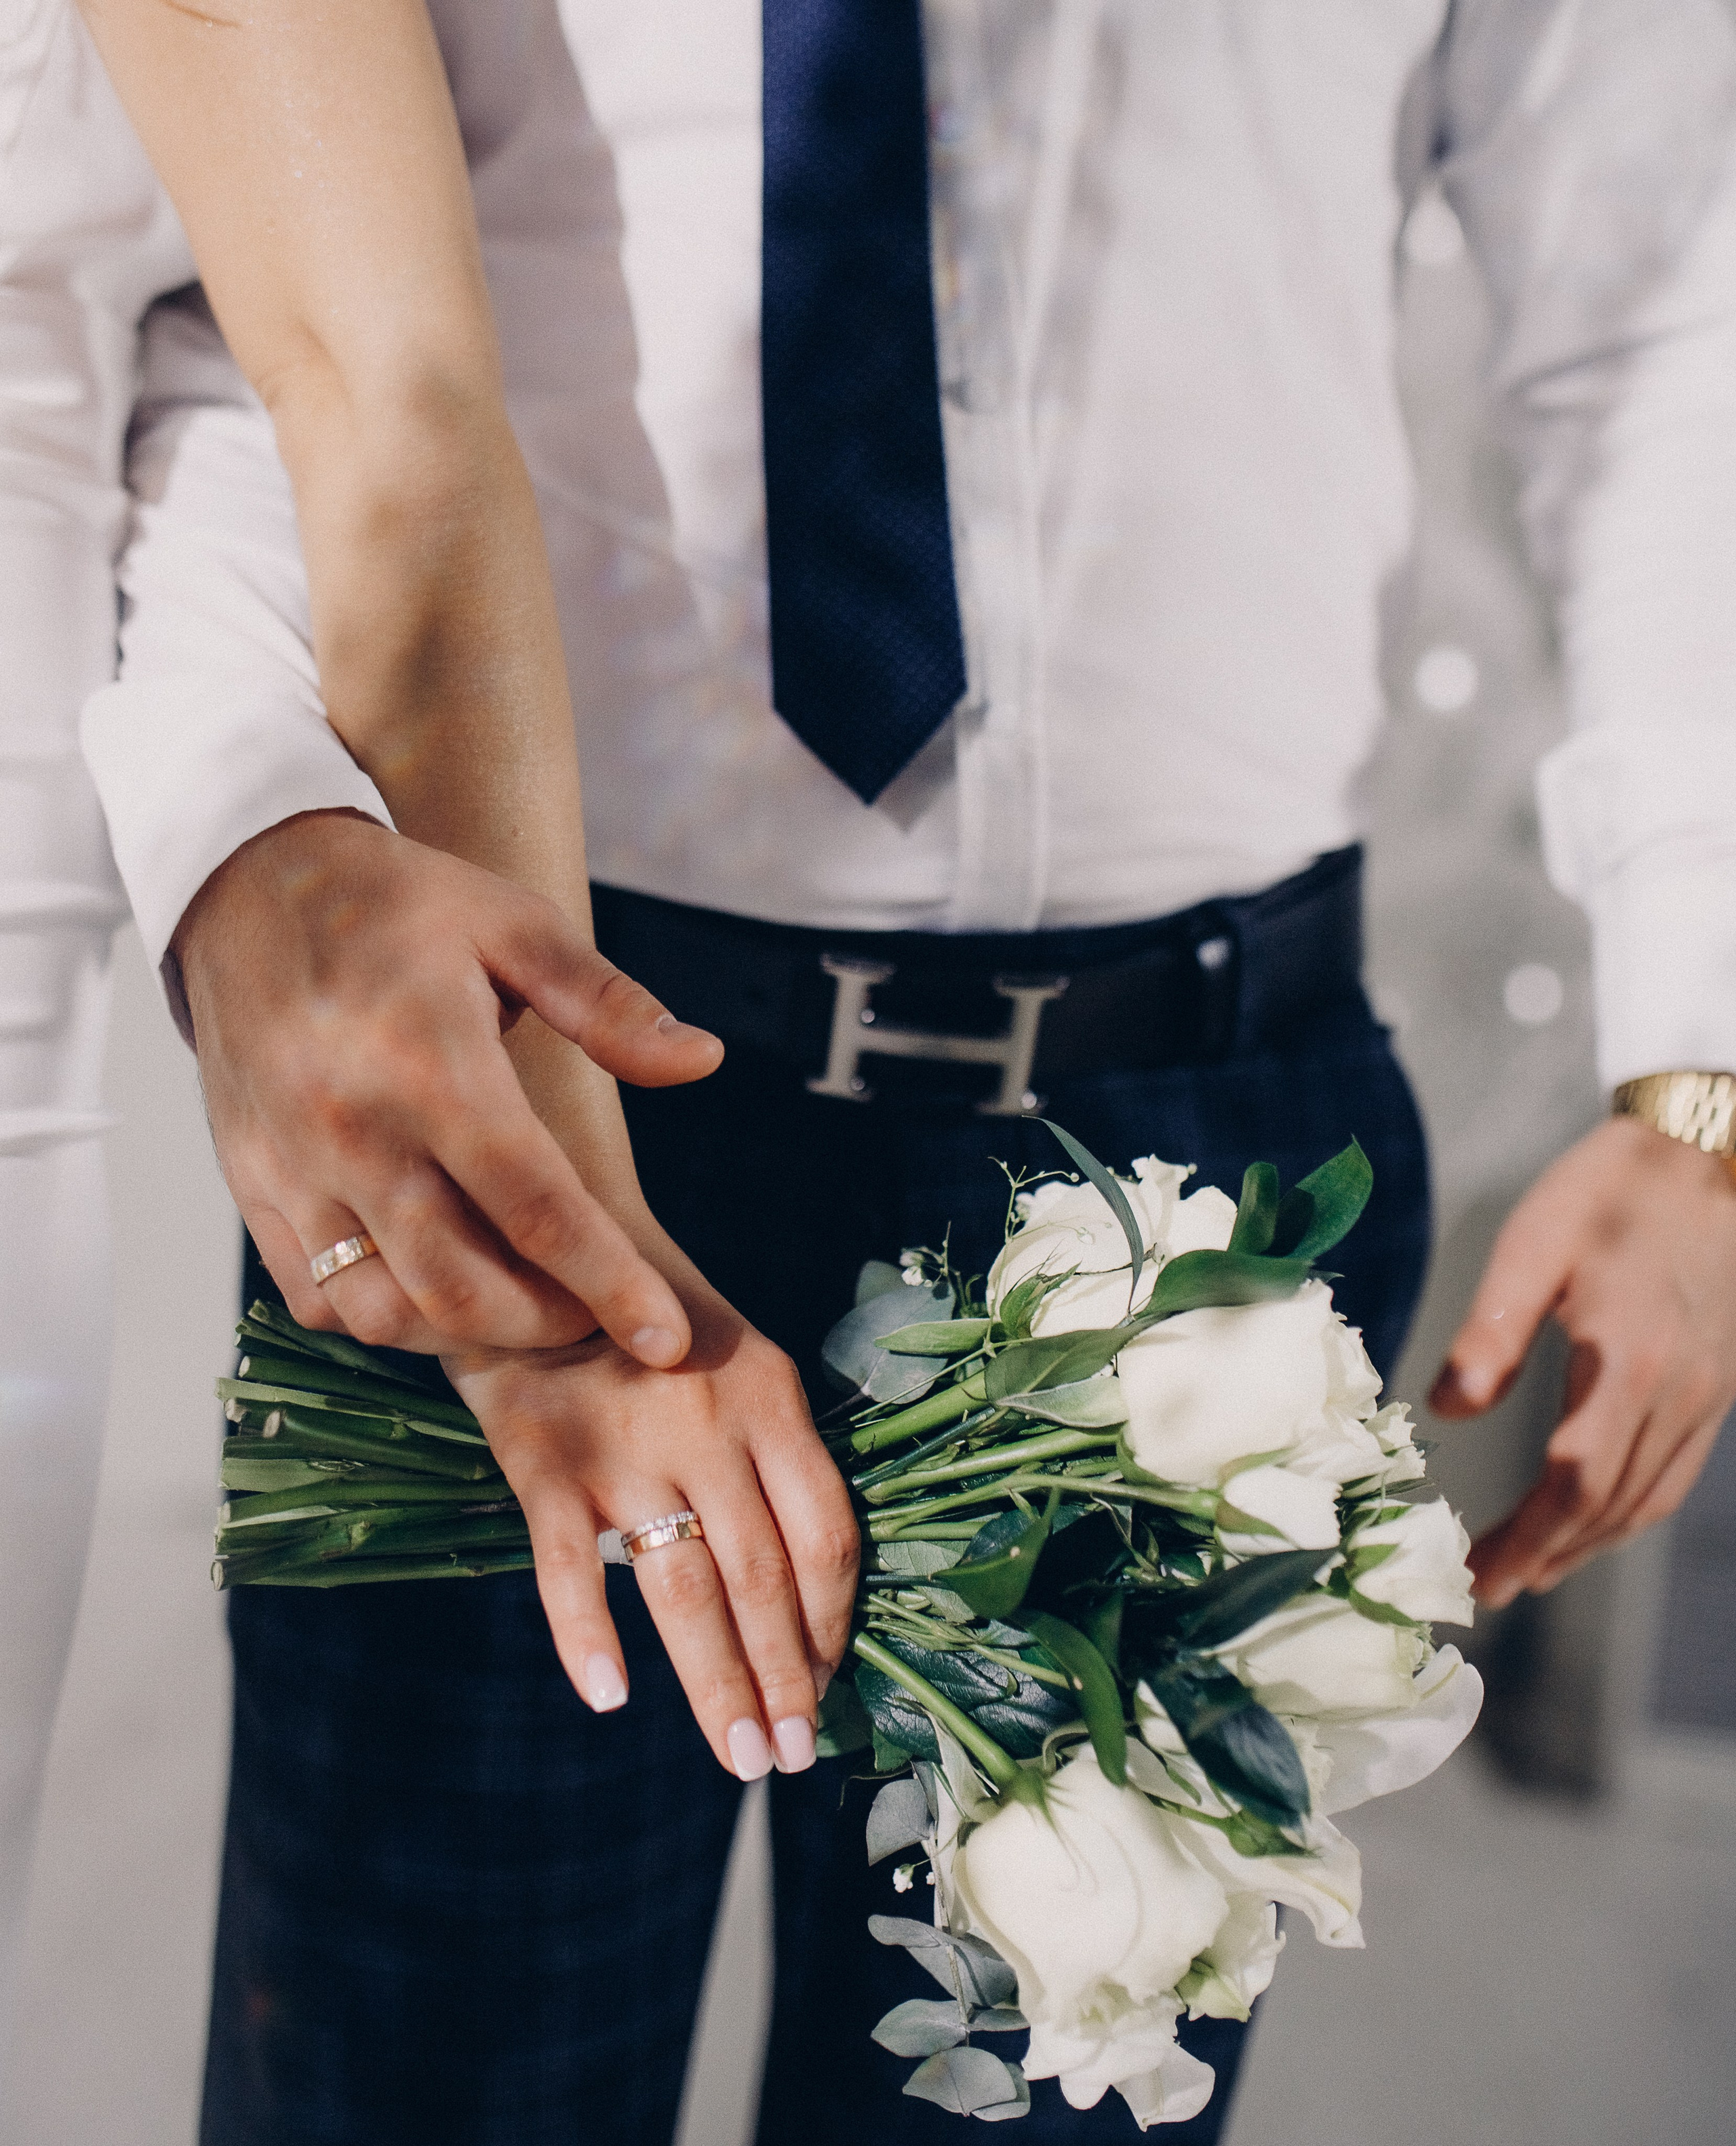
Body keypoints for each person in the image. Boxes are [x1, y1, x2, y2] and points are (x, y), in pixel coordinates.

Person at [14, 0, 1736, 2140]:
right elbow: (251, 298)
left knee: (1061, 2089)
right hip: (528, 1090)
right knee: (411, 2088)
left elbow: (1669, 292)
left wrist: (1707, 1058)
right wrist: (257, 826)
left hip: (1190, 1149)